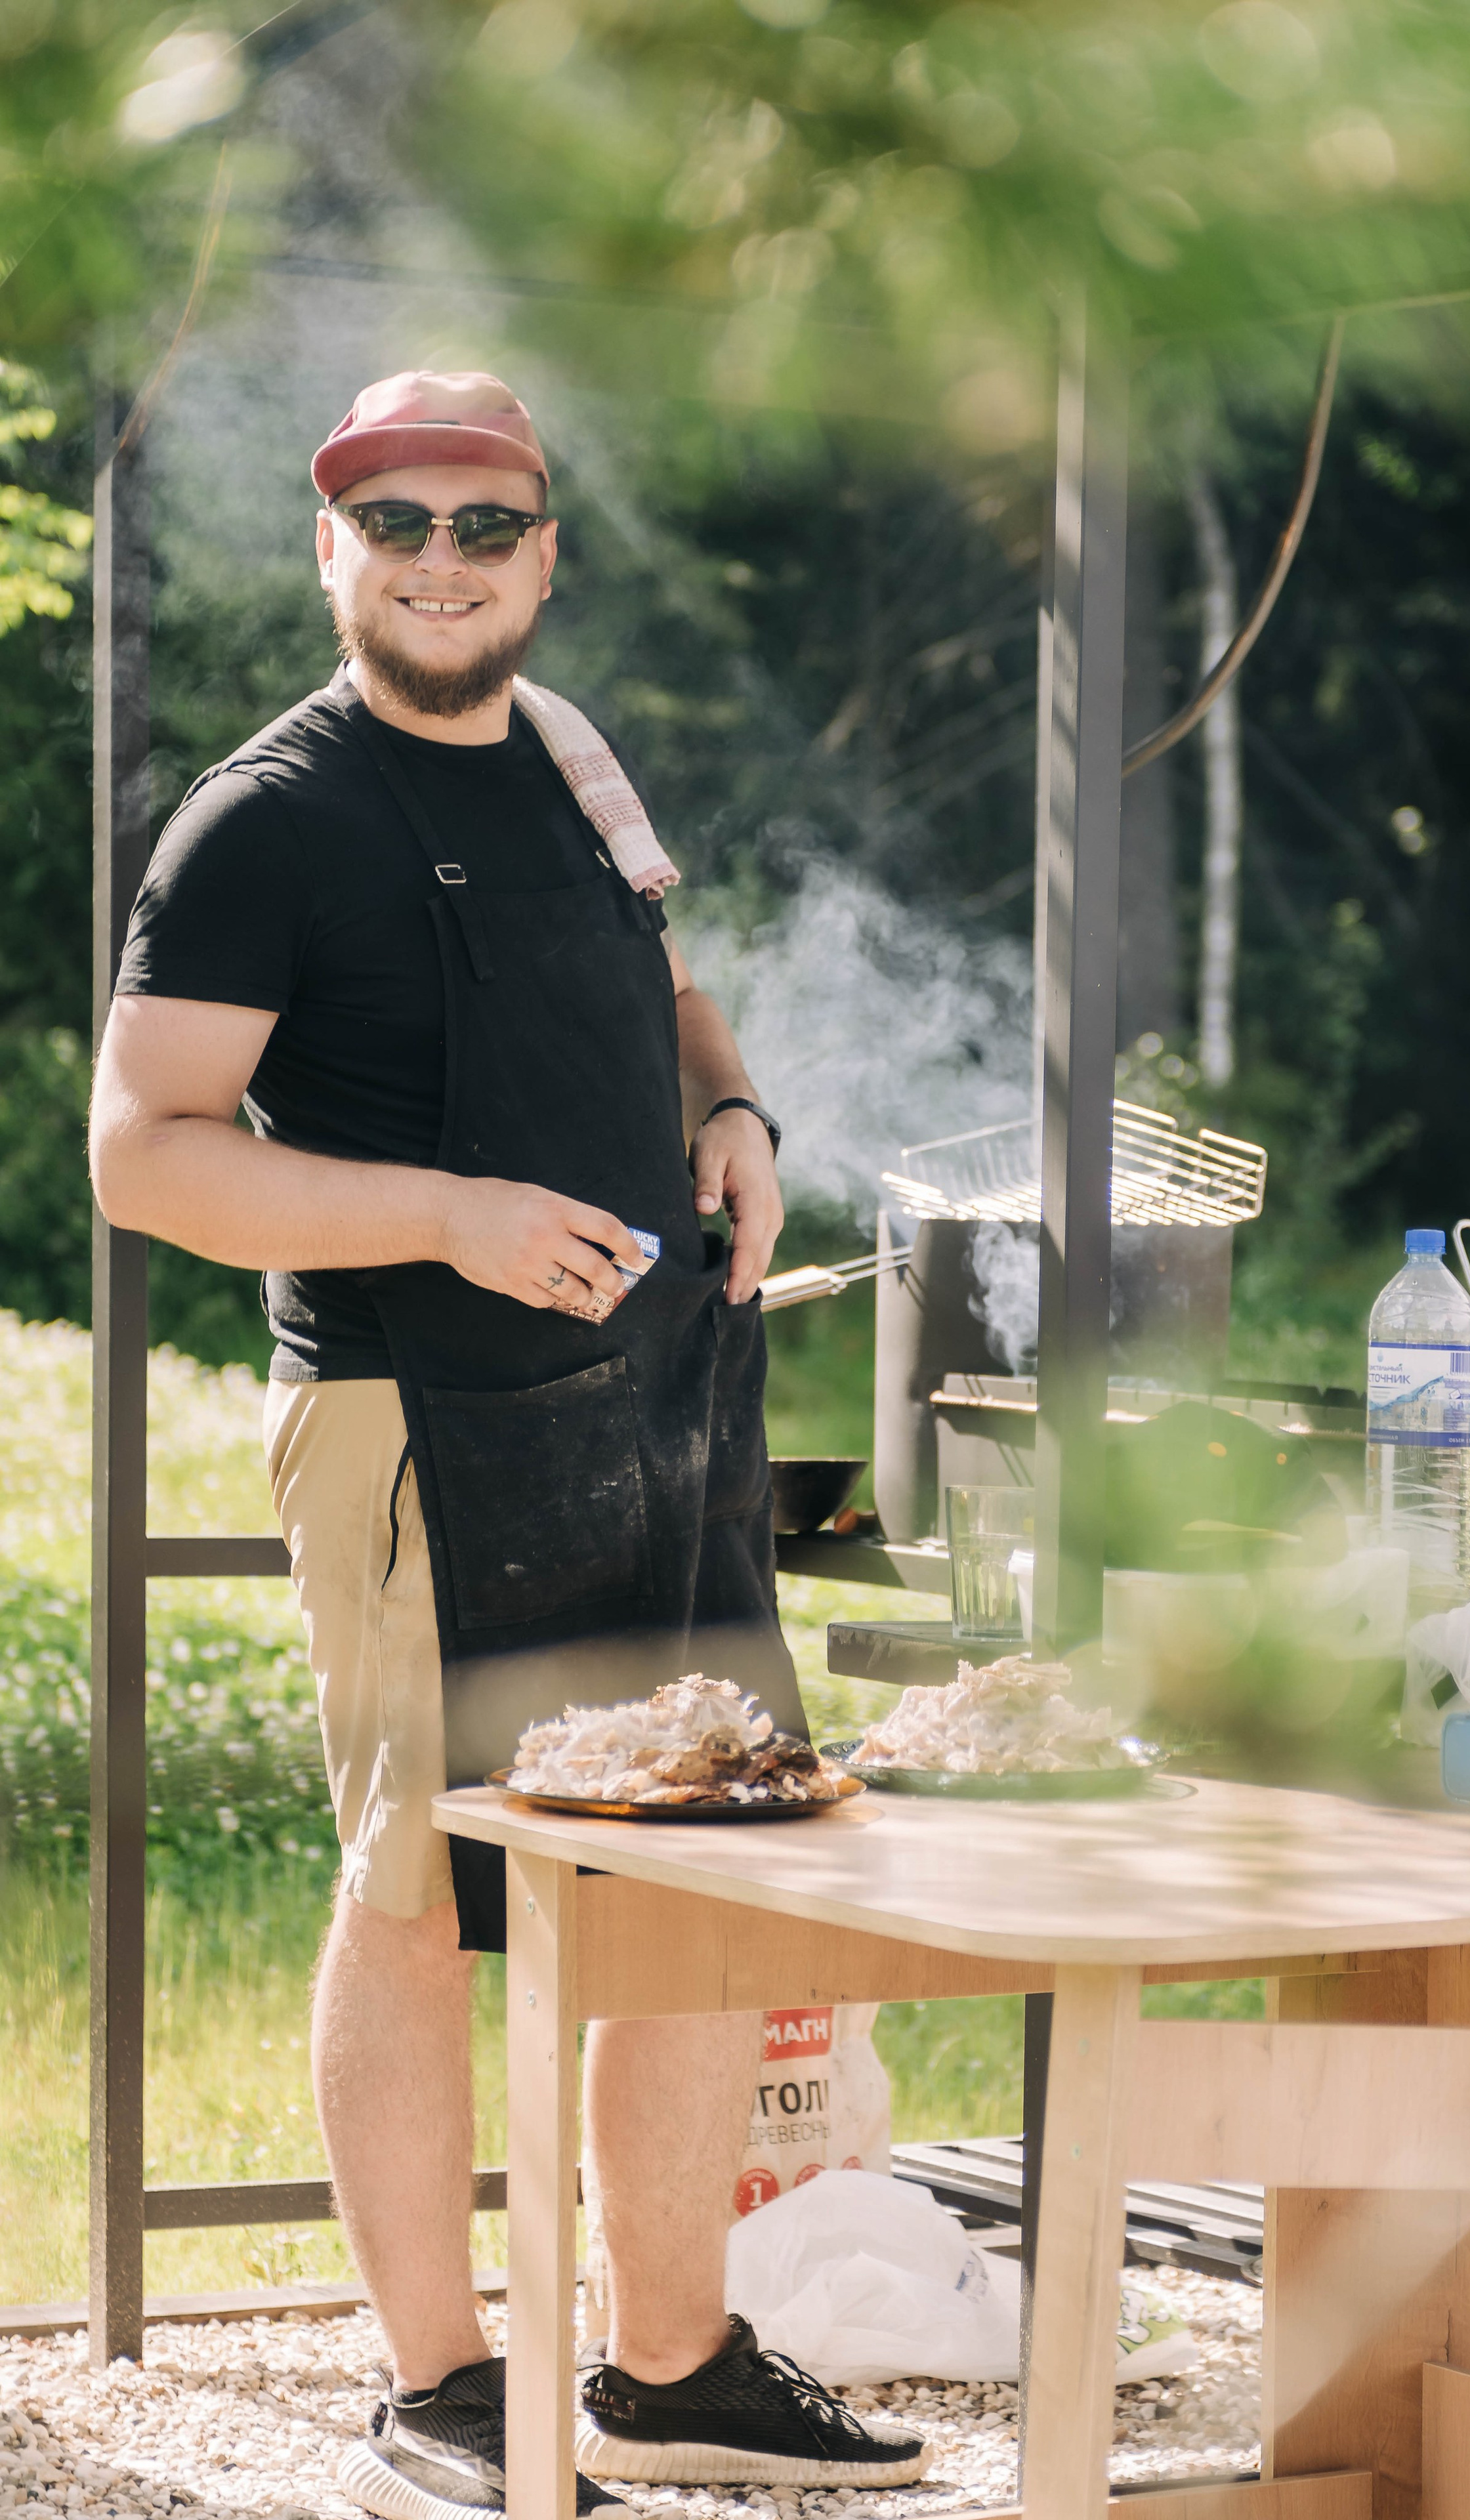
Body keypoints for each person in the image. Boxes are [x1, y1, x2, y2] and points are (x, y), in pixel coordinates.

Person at [88, 369, 926, 2520]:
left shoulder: (569, 758)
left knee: (691, 1878)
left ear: (546, 552)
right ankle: (441, 2382)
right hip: (413, 1418)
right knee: (411, 1889)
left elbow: (661, 990)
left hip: (658, 1403)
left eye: (485, 524)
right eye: (399, 523)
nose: (441, 561)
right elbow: (143, 1157)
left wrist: (729, 1110)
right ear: (333, 549)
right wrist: (449, 1217)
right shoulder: (264, 821)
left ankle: (670, 2362)